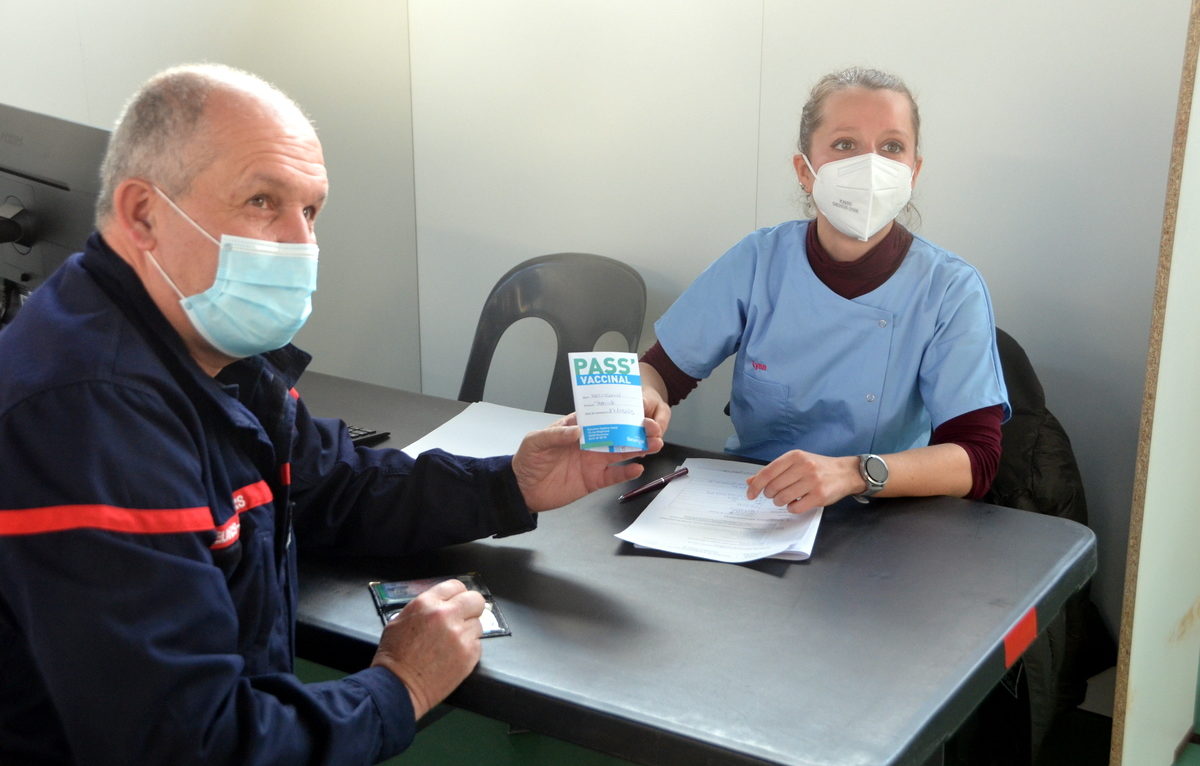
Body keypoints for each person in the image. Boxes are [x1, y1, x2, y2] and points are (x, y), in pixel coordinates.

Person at [0, 64, 662, 765]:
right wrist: (400, 686)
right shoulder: (90, 419)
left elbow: (330, 485)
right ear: (143, 214)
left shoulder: (205, 350)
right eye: (262, 201)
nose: (301, 243)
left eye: (310, 210)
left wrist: (511, 484)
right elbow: (193, 748)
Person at [640, 67, 1009, 513]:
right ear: (805, 169)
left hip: (885, 519)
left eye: (892, 147)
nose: (871, 166)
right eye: (845, 145)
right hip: (756, 505)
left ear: (913, 171)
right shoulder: (759, 261)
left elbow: (976, 460)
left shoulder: (950, 288)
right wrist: (643, 398)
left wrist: (855, 473)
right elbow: (660, 369)